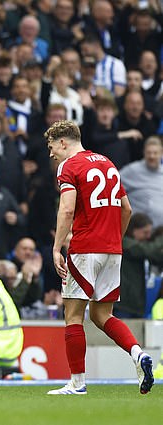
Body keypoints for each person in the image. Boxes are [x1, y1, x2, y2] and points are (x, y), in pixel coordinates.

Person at [46, 120, 154, 395]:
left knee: (72, 316)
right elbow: (126, 209)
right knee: (102, 314)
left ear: (62, 142)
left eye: (51, 147)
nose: (50, 154)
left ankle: (77, 383)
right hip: (112, 250)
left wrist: (57, 246)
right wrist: (114, 239)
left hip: (84, 248)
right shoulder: (108, 164)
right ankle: (138, 355)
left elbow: (67, 209)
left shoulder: (68, 166)